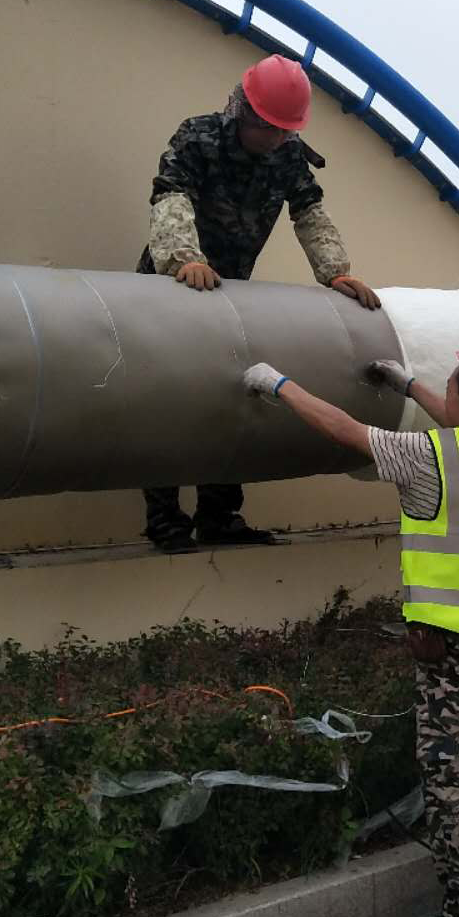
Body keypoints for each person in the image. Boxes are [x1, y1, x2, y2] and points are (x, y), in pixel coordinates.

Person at [242, 339, 459, 917]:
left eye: (451, 386)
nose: (447, 394)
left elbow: (347, 430)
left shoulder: (427, 455)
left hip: (457, 654)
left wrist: (276, 384)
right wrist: (406, 384)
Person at [137, 55, 382, 552]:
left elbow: (309, 212)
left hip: (232, 296)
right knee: (169, 402)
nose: (275, 138)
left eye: (284, 130)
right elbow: (170, 194)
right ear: (241, 110)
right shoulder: (198, 137)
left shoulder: (289, 155)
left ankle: (219, 517)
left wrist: (335, 271)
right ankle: (165, 521)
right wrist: (185, 259)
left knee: (231, 398)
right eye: (268, 127)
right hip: (173, 287)